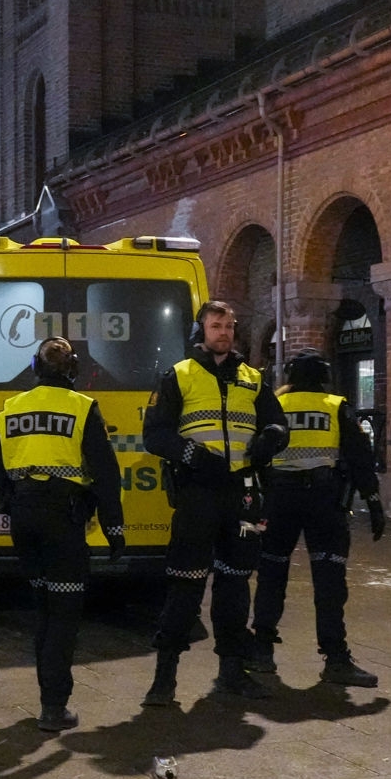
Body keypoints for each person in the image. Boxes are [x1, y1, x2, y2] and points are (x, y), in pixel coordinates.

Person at [141, 299, 288, 705]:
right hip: (197, 492)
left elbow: (277, 423)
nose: (223, 332)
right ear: (200, 331)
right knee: (185, 586)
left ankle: (231, 672)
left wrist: (272, 436)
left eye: (228, 325)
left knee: (236, 584)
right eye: (215, 325)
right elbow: (155, 434)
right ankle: (164, 680)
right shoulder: (178, 375)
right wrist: (192, 456)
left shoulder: (252, 378)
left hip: (240, 493)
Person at [0, 337, 125, 731]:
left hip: (25, 519)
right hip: (62, 521)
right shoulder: (82, 408)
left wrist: (10, 506)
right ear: (74, 369)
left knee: (44, 611)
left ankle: (49, 700)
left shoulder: (11, 409)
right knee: (64, 615)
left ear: (35, 367)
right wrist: (114, 528)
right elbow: (105, 472)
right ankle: (53, 707)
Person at [250, 348, 385, 688]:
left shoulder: (273, 407)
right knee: (329, 582)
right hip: (324, 502)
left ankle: (262, 649)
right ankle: (335, 658)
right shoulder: (336, 406)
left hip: (279, 501)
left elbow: (256, 453)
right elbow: (359, 456)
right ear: (325, 376)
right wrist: (373, 500)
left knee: (271, 575)